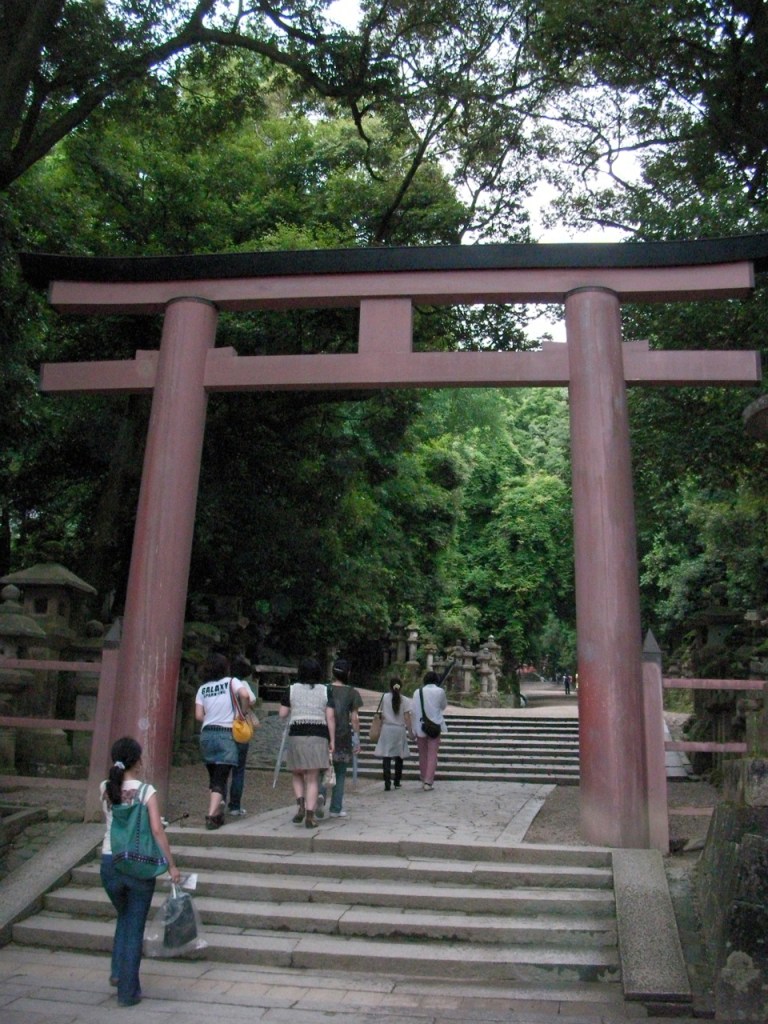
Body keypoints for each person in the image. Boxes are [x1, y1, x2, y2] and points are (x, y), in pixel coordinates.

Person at [100, 736, 181, 1007]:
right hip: (138, 864)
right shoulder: (147, 792)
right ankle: (128, 991)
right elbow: (156, 830)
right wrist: (171, 864)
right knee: (134, 926)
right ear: (138, 761)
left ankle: (116, 972)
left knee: (123, 917)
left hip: (110, 862)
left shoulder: (105, 788)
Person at [195, 653, 252, 830]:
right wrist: (241, 714)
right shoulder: (231, 682)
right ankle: (211, 815)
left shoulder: (203, 689)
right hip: (225, 734)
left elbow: (198, 716)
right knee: (221, 777)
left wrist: (211, 715)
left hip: (206, 734)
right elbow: (245, 695)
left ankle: (218, 812)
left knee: (213, 777)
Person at [279, 656, 335, 828]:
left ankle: (300, 804)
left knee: (297, 772)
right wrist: (332, 740)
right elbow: (330, 717)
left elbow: (282, 714)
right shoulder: (326, 690)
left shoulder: (291, 689)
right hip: (319, 736)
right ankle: (310, 816)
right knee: (312, 778)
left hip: (297, 735)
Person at [325, 658, 362, 817]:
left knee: (321, 770)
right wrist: (357, 738)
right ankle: (335, 808)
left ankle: (319, 795)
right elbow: (354, 718)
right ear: (348, 673)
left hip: (324, 734)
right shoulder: (352, 692)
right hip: (343, 735)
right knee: (340, 773)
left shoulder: (325, 689)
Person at [226, 654, 259, 817]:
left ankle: (219, 801)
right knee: (238, 770)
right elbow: (251, 699)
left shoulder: (223, 684)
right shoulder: (242, 684)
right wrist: (243, 712)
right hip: (238, 728)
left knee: (223, 770)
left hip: (224, 727)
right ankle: (235, 806)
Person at [373, 676, 413, 791]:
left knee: (386, 755)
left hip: (387, 729)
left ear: (390, 686)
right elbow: (407, 717)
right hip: (399, 730)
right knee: (399, 756)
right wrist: (410, 732)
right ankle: (397, 781)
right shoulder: (405, 700)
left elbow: (381, 712)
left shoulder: (384, 697)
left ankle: (387, 782)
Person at [411, 669, 448, 791]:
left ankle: (423, 777)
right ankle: (428, 781)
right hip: (434, 725)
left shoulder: (417, 692)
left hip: (420, 725)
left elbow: (414, 710)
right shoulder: (440, 691)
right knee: (432, 754)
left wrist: (412, 729)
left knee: (422, 754)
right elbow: (443, 706)